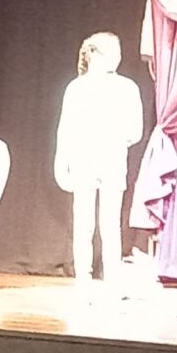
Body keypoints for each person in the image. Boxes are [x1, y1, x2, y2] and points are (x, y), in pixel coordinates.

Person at [56, 31, 144, 286]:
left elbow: (135, 131)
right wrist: (61, 164)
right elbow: (65, 129)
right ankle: (83, 277)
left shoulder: (126, 87)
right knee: (83, 222)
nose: (117, 57)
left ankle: (112, 278)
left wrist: (115, 138)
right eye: (112, 52)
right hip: (83, 160)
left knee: (110, 223)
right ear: (94, 54)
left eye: (118, 52)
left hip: (112, 160)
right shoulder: (77, 88)